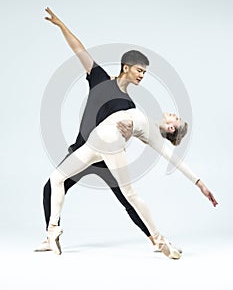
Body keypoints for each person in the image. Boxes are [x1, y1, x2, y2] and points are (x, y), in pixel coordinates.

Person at [35, 7, 160, 253]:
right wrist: (62, 26)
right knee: (51, 186)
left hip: (107, 158)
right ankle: (51, 236)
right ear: (126, 67)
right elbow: (79, 48)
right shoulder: (99, 77)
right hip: (82, 150)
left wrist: (128, 131)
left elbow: (128, 135)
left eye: (144, 73)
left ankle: (154, 239)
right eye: (139, 70)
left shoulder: (129, 105)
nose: (142, 76)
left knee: (127, 199)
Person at [47, 108, 218, 259]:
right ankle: (53, 228)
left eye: (176, 118)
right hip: (95, 140)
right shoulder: (149, 120)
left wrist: (199, 183)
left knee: (129, 193)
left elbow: (175, 160)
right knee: (57, 178)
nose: (174, 114)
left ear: (171, 128)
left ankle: (159, 240)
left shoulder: (154, 135)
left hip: (109, 139)